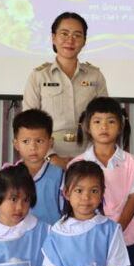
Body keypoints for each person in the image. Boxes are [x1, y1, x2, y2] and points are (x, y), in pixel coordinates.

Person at [68, 97, 134, 266]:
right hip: (90, 238)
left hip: (126, 236)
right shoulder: (77, 164)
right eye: (97, 121)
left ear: (120, 126)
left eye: (111, 121)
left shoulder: (132, 163)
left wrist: (116, 230)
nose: (104, 127)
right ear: (87, 126)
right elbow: (75, 202)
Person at [22, 12, 108, 166]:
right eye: (64, 34)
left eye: (77, 35)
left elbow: (104, 119)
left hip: (89, 155)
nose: (70, 40)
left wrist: (93, 156)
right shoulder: (39, 76)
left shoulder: (95, 76)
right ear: (53, 38)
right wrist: (51, 156)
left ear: (84, 41)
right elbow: (28, 124)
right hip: (47, 155)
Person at [41, 161, 129, 266]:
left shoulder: (110, 229)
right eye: (79, 190)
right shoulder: (57, 231)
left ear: (102, 193)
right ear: (66, 193)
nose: (86, 197)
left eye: (94, 191)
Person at [11, 109, 63, 226]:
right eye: (26, 141)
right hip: (18, 234)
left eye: (39, 141)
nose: (33, 147)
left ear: (50, 142)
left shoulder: (60, 176)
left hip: (50, 235)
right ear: (16, 144)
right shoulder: (8, 176)